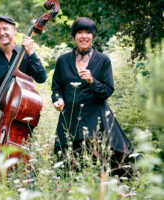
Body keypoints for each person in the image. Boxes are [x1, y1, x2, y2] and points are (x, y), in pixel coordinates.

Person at [51, 17, 133, 173]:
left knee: (101, 165)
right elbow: (56, 87)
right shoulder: (62, 61)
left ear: (93, 36)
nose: (84, 36)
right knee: (69, 167)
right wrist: (58, 100)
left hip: (96, 121)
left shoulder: (103, 60)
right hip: (69, 121)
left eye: (88, 32)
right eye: (80, 32)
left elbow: (107, 91)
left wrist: (91, 80)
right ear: (74, 36)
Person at [0, 15, 46, 115]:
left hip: (22, 113)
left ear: (14, 30)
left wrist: (31, 52)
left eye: (5, 29)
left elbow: (41, 78)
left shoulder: (26, 55)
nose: (2, 33)